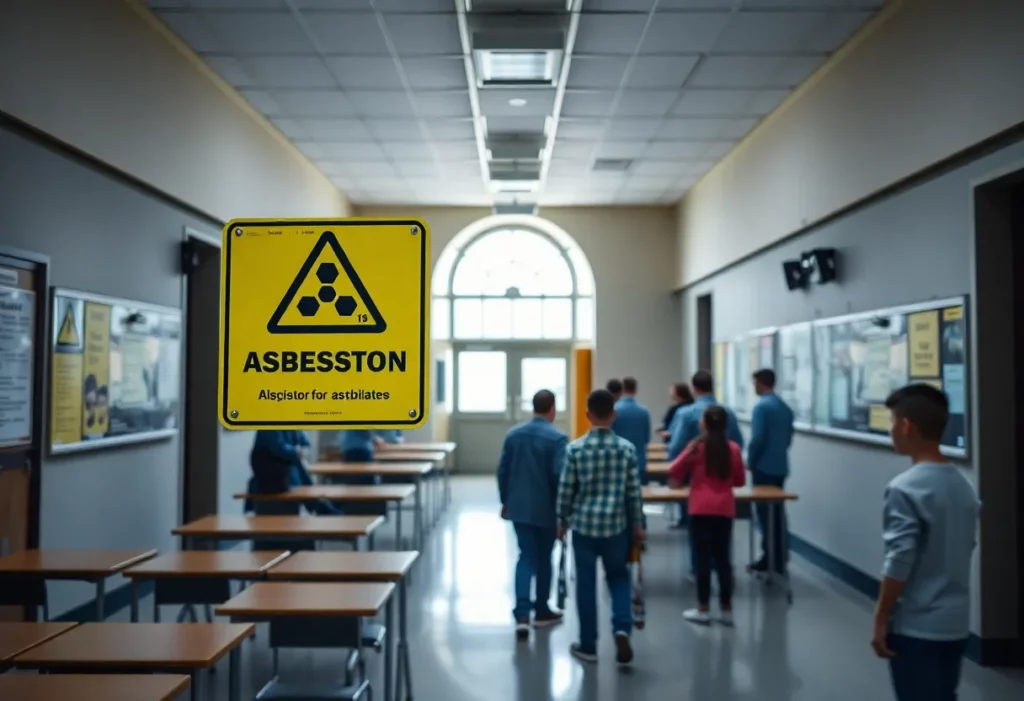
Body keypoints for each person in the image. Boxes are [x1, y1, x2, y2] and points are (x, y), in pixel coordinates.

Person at [871, 384, 979, 701]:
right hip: (955, 626)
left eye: (892, 422)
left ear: (906, 427)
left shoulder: (904, 489)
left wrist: (881, 617)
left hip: (917, 628)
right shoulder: (963, 486)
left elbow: (899, 560)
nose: (891, 431)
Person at [556, 388, 644, 666]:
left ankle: (588, 645)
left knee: (585, 584)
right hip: (616, 528)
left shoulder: (575, 449)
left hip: (584, 528)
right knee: (618, 578)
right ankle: (621, 628)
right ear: (613, 415)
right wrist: (638, 525)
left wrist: (561, 520)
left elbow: (566, 490)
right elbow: (634, 493)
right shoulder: (627, 449)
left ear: (587, 415)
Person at [497, 389, 569, 640]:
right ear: (552, 409)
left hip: (519, 507)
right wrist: (563, 515)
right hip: (546, 509)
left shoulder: (513, 435)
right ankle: (541, 610)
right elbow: (560, 478)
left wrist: (505, 501)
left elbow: (503, 471)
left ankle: (521, 615)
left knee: (525, 556)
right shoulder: (558, 438)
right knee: (545, 557)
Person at [668, 406, 746, 625]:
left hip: (700, 508)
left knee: (702, 559)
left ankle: (703, 608)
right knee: (723, 559)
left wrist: (687, 473)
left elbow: (674, 469)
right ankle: (726, 609)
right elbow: (740, 481)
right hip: (724, 509)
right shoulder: (733, 448)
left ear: (704, 423)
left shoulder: (696, 447)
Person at [668, 370, 743, 536]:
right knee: (721, 543)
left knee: (699, 538)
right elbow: (739, 442)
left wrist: (678, 473)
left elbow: (676, 446)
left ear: (694, 388)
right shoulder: (728, 412)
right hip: (724, 480)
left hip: (695, 480)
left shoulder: (686, 413)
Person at [246, 430, 341, 549]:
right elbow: (278, 448)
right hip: (269, 482)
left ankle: (318, 506)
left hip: (286, 479)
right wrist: (296, 452)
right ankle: (319, 506)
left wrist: (300, 451)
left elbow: (304, 442)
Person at [746, 369, 795, 574]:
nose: (754, 387)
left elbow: (757, 439)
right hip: (780, 466)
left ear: (760, 383)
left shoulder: (761, 407)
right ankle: (780, 557)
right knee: (778, 514)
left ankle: (769, 558)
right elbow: (788, 438)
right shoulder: (785, 408)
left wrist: (750, 460)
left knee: (765, 516)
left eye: (755, 383)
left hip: (763, 467)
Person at [611, 377, 652, 484]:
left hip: (618, 461)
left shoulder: (613, 410)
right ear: (636, 390)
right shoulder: (644, 412)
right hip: (639, 461)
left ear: (622, 390)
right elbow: (647, 439)